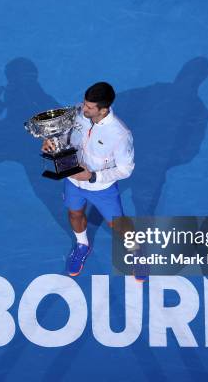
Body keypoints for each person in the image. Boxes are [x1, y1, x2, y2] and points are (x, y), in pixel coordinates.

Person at [41, 82, 141, 279]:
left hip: (102, 188)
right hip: (72, 180)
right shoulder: (79, 112)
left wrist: (93, 176)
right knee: (74, 214)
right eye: (84, 103)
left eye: (88, 107)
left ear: (103, 109)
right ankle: (82, 245)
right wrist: (53, 142)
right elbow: (65, 135)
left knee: (118, 224)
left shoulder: (120, 134)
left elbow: (125, 169)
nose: (82, 108)